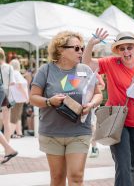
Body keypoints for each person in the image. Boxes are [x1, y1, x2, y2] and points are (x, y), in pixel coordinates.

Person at [29, 31, 102, 186]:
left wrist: (92, 104)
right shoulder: (46, 70)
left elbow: (98, 94)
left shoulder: (85, 70)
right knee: (57, 178)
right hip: (52, 133)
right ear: (61, 50)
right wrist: (49, 101)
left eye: (82, 48)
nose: (81, 51)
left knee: (76, 176)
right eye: (76, 48)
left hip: (80, 131)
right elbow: (33, 98)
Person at [83, 30, 134, 186]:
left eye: (129, 47)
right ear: (118, 51)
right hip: (116, 120)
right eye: (122, 48)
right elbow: (86, 65)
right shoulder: (111, 62)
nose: (126, 52)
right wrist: (91, 43)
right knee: (123, 163)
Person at [0, 70, 18, 164]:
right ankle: (8, 149)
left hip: (2, 92)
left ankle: (8, 149)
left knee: (6, 123)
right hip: (2, 92)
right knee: (6, 123)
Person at [9, 59, 28, 138]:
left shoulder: (13, 74)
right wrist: (26, 96)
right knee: (15, 116)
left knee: (17, 116)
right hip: (18, 99)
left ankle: (19, 132)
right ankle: (9, 134)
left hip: (14, 98)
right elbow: (20, 85)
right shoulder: (16, 73)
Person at [0, 47, 15, 142]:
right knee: (6, 122)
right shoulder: (9, 67)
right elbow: (12, 83)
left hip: (3, 95)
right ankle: (7, 145)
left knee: (4, 122)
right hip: (6, 96)